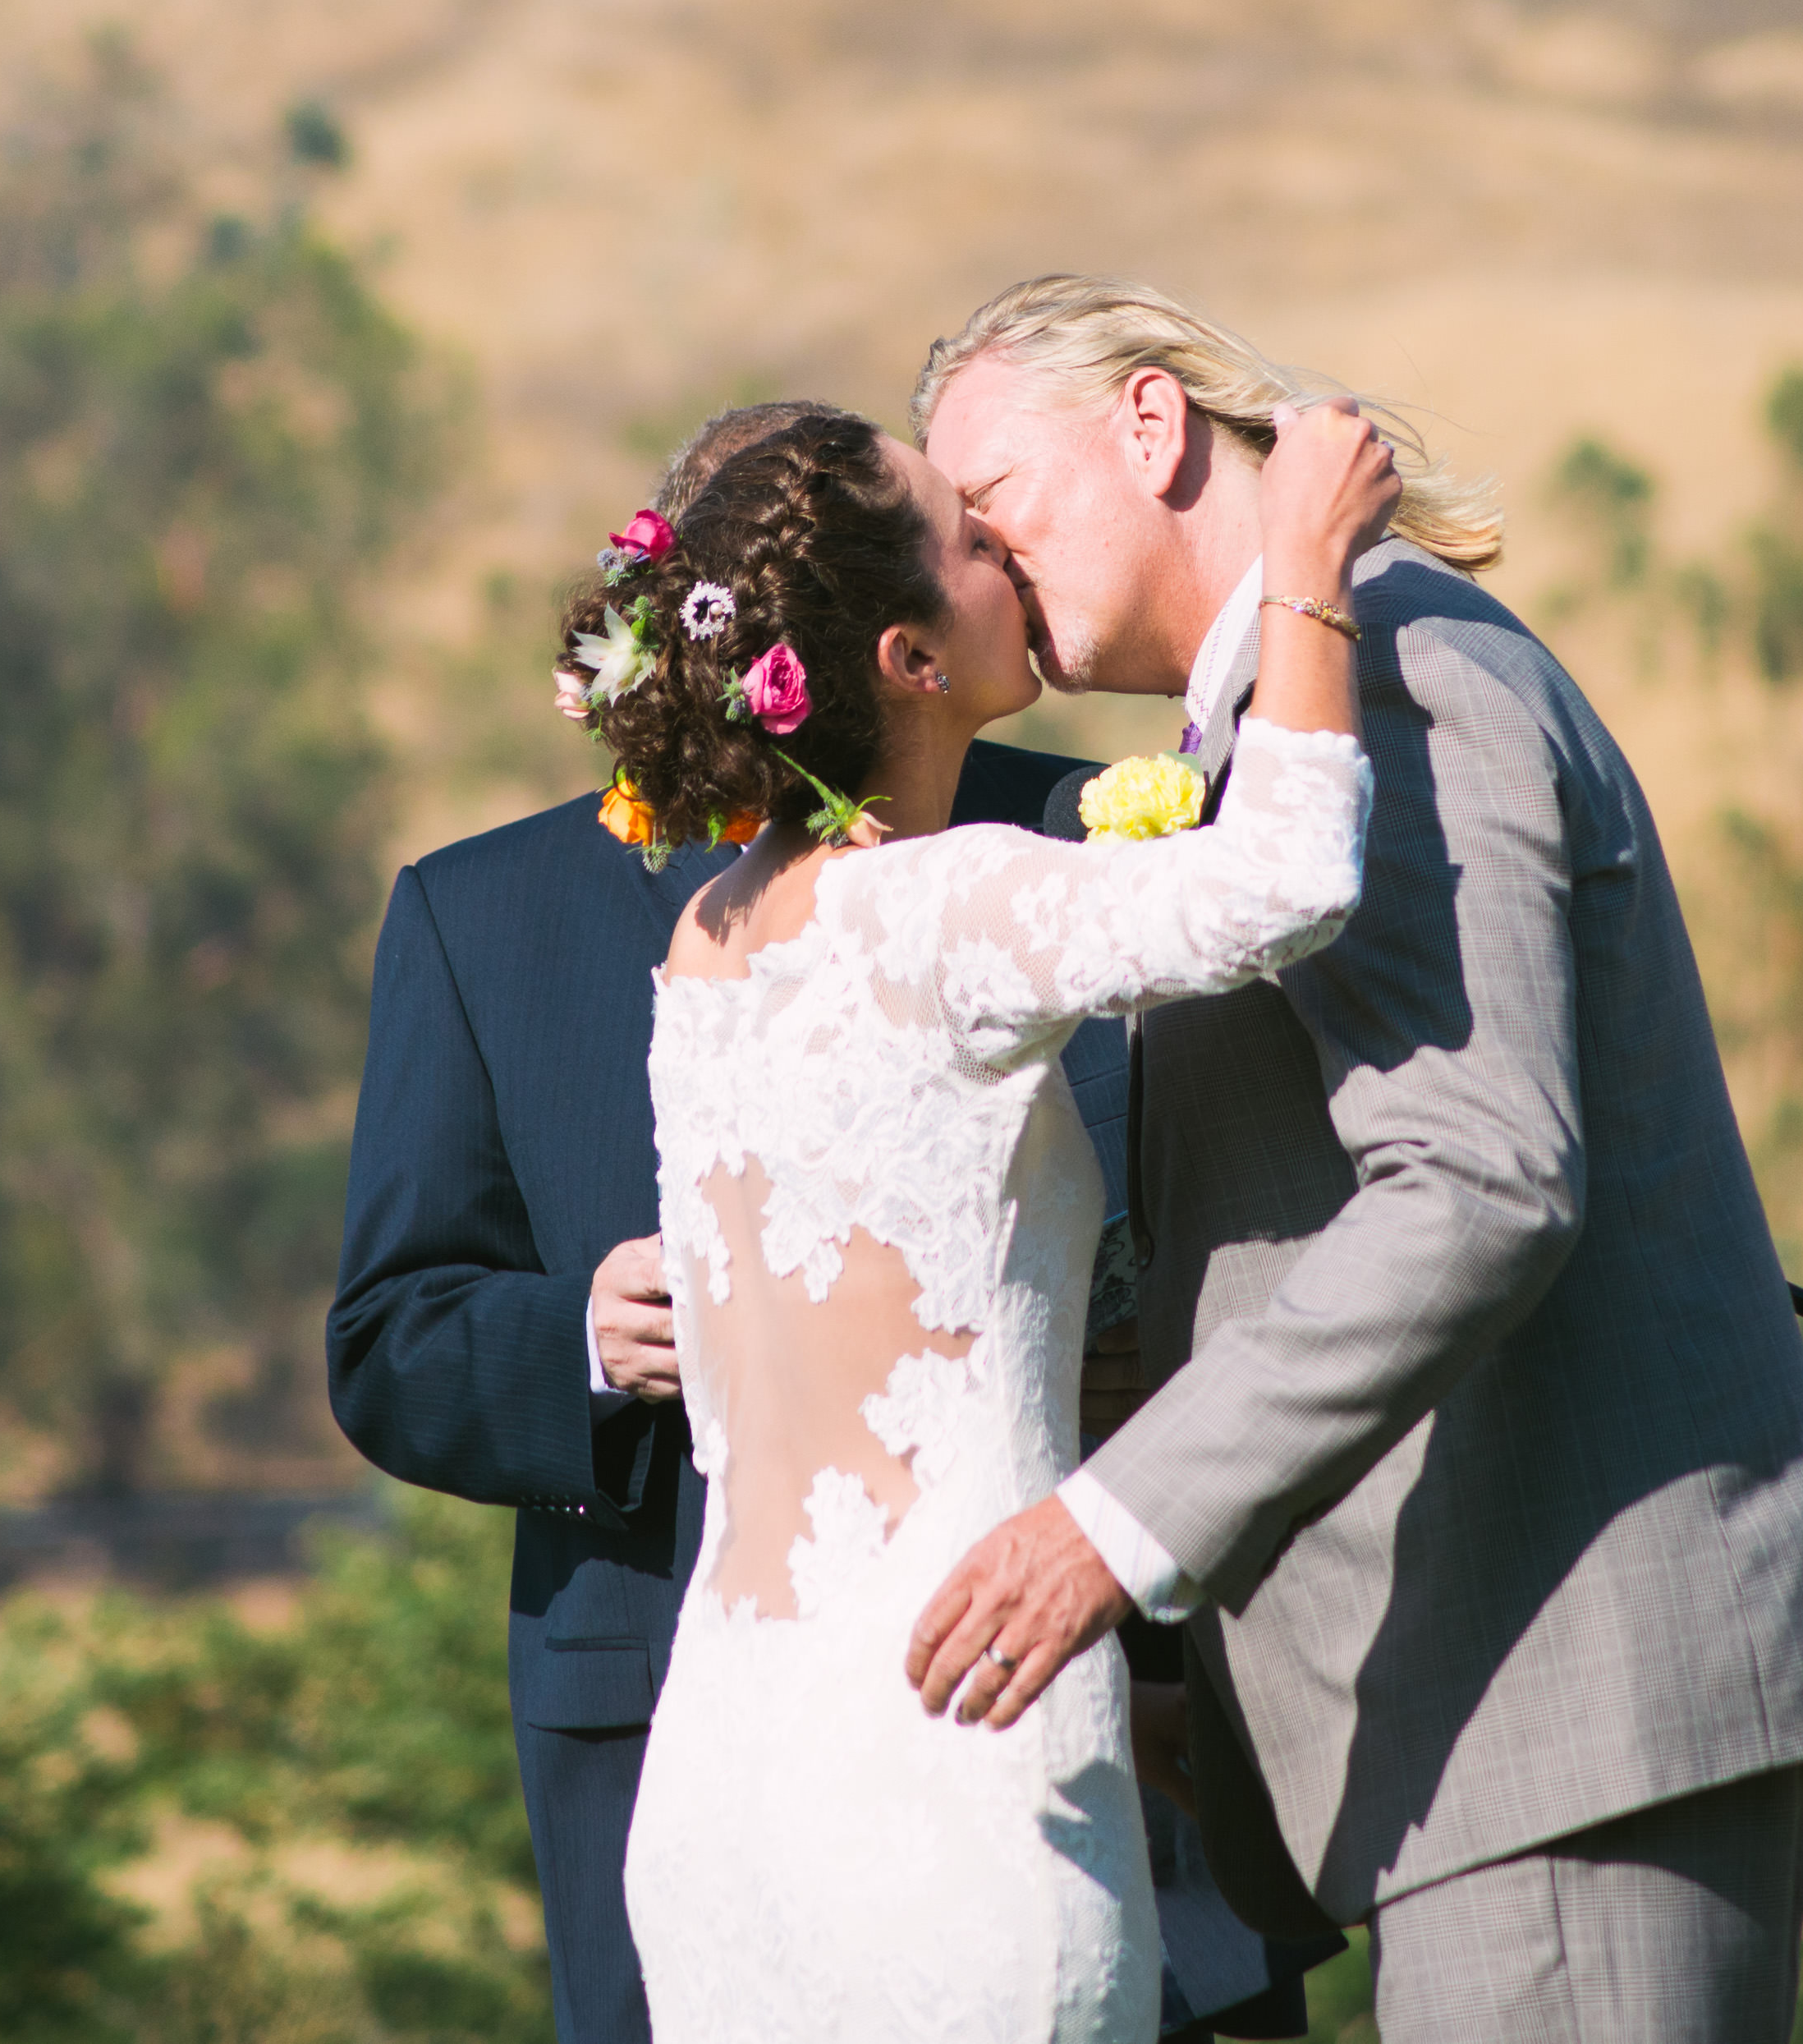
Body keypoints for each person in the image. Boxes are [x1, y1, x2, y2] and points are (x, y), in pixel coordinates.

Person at [906, 277, 1803, 2044]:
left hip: (1567, 1698)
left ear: (1151, 427)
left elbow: (1479, 1181)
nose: (984, 572)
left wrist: (1116, 1522)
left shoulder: (1394, 681)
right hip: (1503, 1718)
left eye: (994, 508)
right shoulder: (1290, 715)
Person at [329, 406, 1321, 2044]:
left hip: (1109, 1722)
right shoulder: (480, 916)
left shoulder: (1079, 830)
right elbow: (383, 1346)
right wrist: (583, 1336)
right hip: (700, 1734)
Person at [586, 397, 1399, 2042]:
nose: (1002, 544)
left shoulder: (706, 942)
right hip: (951, 1750)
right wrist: (1307, 563)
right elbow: (1291, 879)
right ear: (905, 654)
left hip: (724, 1774)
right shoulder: (936, 903)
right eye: (968, 534)